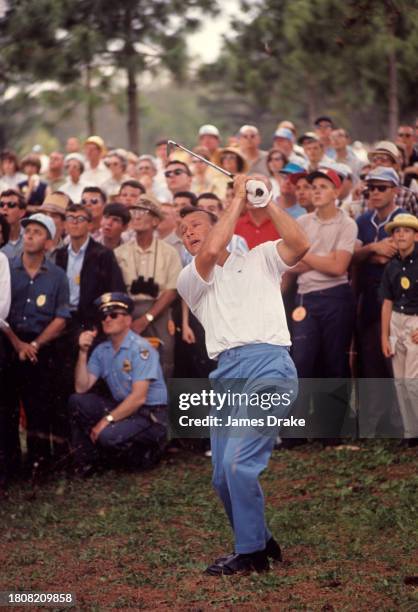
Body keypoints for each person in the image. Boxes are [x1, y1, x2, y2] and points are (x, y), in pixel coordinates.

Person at [177, 174, 309, 575]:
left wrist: (263, 199)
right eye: (182, 232)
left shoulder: (261, 256)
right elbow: (213, 248)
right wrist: (238, 197)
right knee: (221, 475)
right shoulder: (190, 278)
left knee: (238, 465)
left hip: (269, 364)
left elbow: (300, 244)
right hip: (227, 376)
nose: (188, 234)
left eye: (195, 225)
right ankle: (260, 540)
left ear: (217, 223)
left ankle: (250, 554)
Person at [68, 292, 168, 476]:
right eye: (104, 316)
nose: (107, 319)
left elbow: (138, 398)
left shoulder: (141, 349)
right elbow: (81, 387)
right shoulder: (101, 350)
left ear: (128, 320)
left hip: (150, 415)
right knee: (77, 401)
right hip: (126, 410)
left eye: (114, 315)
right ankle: (87, 464)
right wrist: (83, 352)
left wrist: (106, 421)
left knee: (108, 436)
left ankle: (149, 454)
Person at [1, 213, 70, 474]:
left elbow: (61, 317)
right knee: (6, 406)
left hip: (40, 348)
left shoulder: (57, 276)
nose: (29, 235)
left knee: (38, 406)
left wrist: (35, 345)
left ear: (49, 242)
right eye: (27, 230)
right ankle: (9, 463)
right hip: (9, 343)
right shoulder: (6, 268)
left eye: (37, 232)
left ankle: (39, 463)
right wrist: (17, 343)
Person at [352, 166, 407, 436]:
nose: (374, 192)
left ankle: (403, 424)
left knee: (399, 361)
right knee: (372, 360)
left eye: (381, 187)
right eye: (370, 188)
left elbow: (398, 257)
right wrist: (373, 249)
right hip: (369, 300)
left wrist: (367, 255)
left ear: (395, 191)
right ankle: (378, 424)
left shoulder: (405, 219)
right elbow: (353, 258)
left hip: (400, 300)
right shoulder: (362, 220)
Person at [115, 195, 182, 378]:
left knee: (165, 355)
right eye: (134, 212)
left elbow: (171, 291)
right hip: (127, 311)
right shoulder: (120, 253)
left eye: (142, 212)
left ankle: (162, 404)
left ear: (155, 221)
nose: (136, 216)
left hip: (159, 310)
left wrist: (147, 318)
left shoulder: (169, 252)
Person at [381, 214, 418, 445]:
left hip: (415, 320)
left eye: (407, 230)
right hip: (396, 320)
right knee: (400, 380)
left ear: (416, 235)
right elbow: (386, 301)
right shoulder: (392, 266)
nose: (401, 234)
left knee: (413, 380)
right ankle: (409, 432)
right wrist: (384, 336)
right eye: (397, 231)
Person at [0, 189, 26, 259]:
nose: (5, 208)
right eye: (1, 205)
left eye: (11, 205)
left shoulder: (29, 236)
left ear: (22, 212)